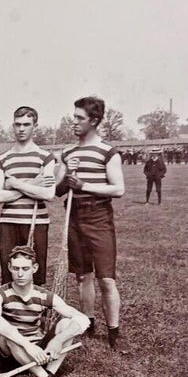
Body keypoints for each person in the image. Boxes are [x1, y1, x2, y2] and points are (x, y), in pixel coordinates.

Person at [55, 96, 127, 350]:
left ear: (94, 121)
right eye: (73, 117)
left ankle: (114, 333)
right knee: (82, 276)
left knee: (106, 279)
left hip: (98, 216)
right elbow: (58, 191)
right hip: (74, 215)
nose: (73, 122)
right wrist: (67, 174)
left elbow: (118, 189)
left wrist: (84, 185)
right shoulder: (67, 152)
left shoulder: (108, 152)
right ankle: (88, 323)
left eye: (79, 118)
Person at [0, 245, 89, 377]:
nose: (20, 274)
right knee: (9, 334)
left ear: (34, 268)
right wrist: (27, 345)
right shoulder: (0, 293)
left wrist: (57, 340)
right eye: (16, 268)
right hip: (11, 354)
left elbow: (83, 319)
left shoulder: (44, 295)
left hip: (38, 353)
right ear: (9, 267)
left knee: (66, 324)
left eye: (25, 269)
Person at [0, 106, 56, 284]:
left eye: (26, 124)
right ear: (13, 125)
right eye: (18, 124)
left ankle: (34, 302)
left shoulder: (45, 157)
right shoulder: (3, 159)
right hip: (8, 222)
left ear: (35, 126)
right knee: (9, 273)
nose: (21, 129)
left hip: (37, 222)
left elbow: (49, 194)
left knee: (35, 273)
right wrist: (33, 184)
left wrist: (14, 183)